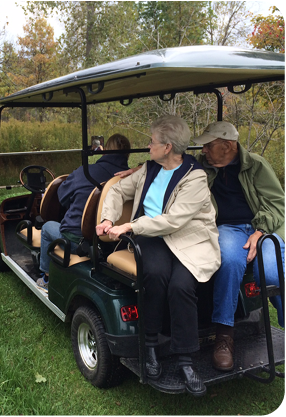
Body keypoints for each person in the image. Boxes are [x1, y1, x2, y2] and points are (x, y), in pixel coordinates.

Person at [96, 115, 220, 397]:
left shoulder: (195, 177)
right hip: (151, 238)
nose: (147, 146)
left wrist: (130, 225)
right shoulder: (149, 169)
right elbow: (117, 191)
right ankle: (149, 346)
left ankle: (186, 360)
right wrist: (107, 219)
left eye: (151, 142)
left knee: (181, 286)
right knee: (154, 274)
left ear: (167, 147)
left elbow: (174, 221)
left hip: (188, 239)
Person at [193, 121, 285, 372]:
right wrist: (140, 169)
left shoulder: (255, 165)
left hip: (261, 227)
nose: (204, 150)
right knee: (231, 262)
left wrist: (260, 231)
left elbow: (278, 204)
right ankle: (224, 337)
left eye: (209, 145)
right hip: (227, 229)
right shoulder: (201, 166)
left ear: (228, 145)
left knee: (273, 272)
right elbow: (168, 164)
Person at [37, 133, 131, 291]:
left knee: (47, 228)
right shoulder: (132, 176)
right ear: (128, 154)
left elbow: (62, 197)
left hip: (80, 242)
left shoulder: (85, 172)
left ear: (104, 150)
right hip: (117, 242)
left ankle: (47, 278)